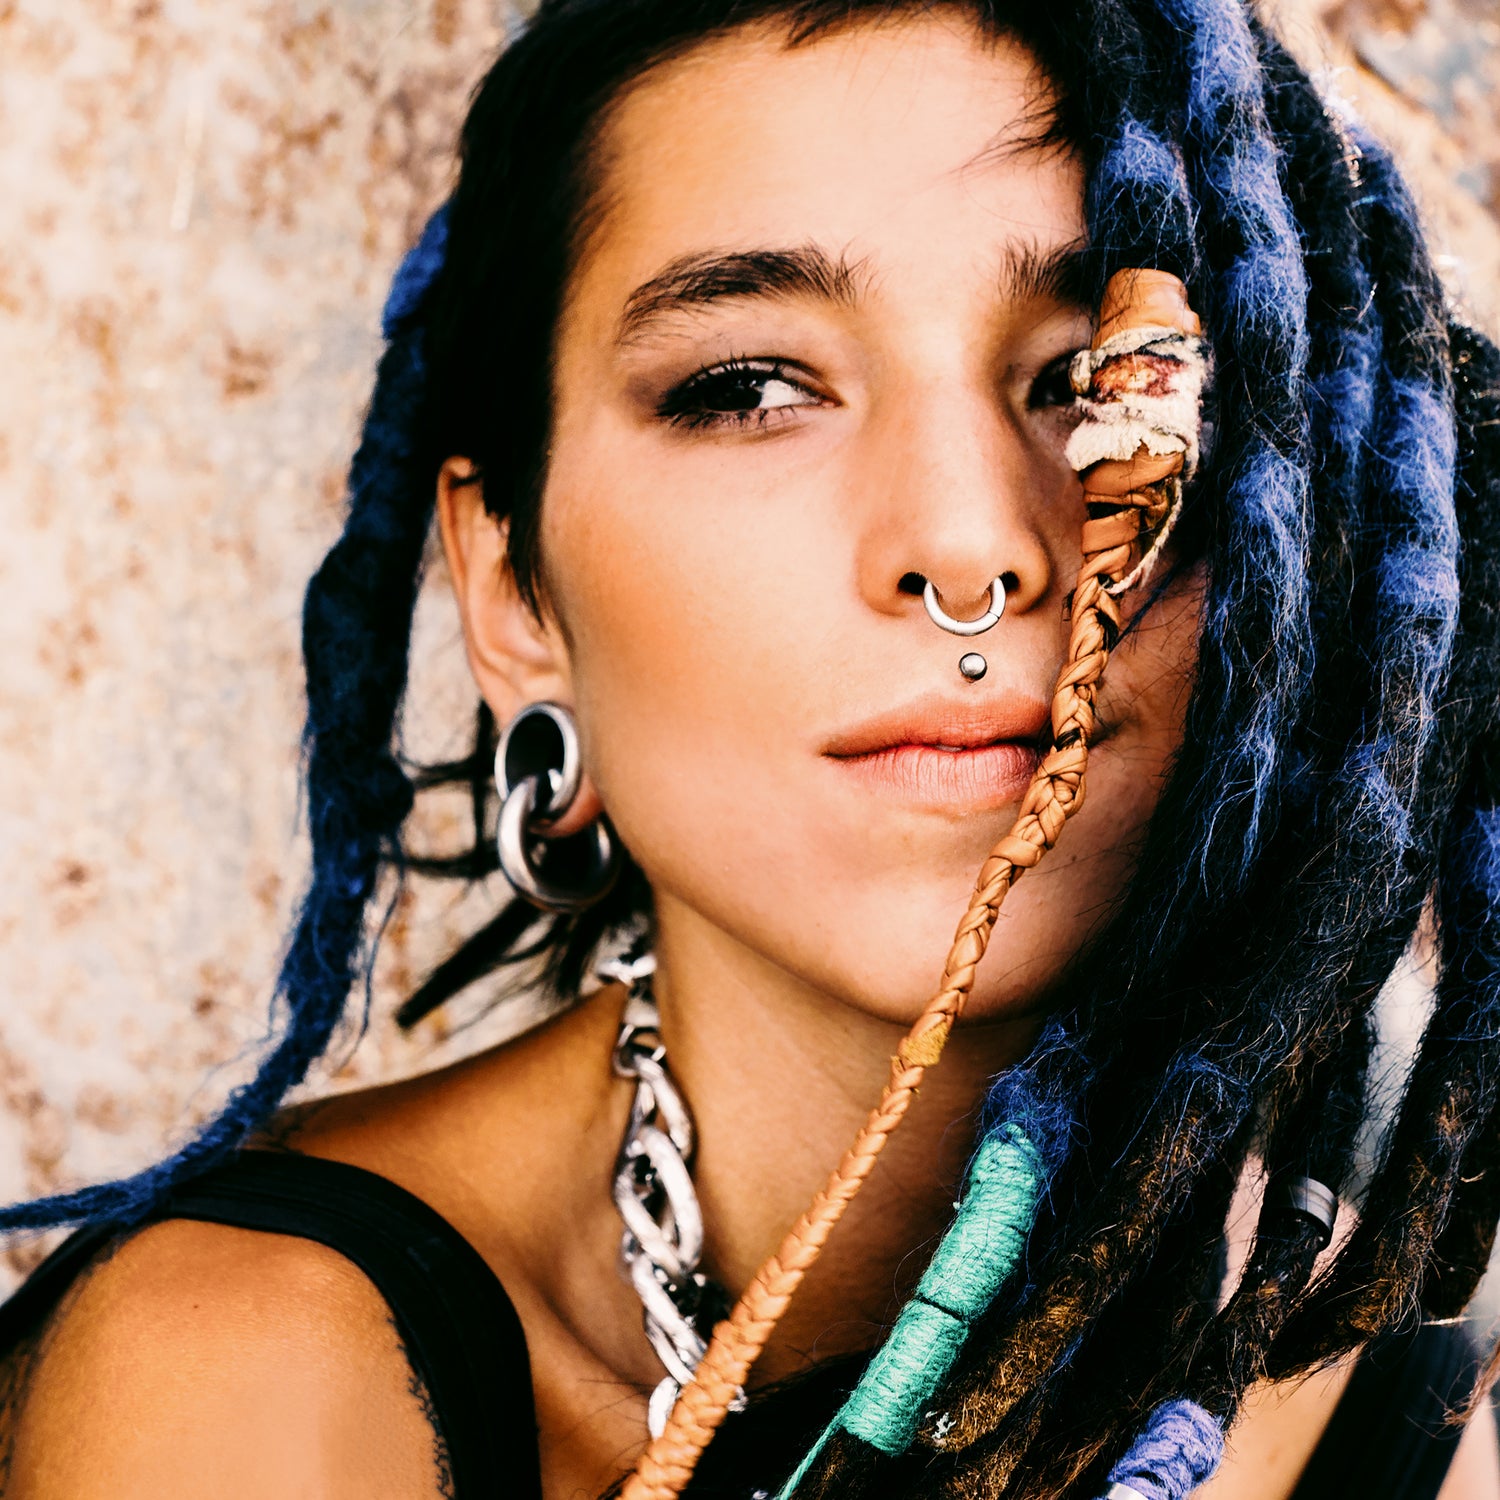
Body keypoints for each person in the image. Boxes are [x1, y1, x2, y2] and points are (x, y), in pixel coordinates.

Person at [0, 0, 1498, 1496]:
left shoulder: (1402, 1404)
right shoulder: (242, 1365)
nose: (969, 546)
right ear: (513, 591)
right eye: (750, 390)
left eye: (1102, 376)